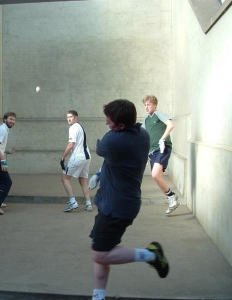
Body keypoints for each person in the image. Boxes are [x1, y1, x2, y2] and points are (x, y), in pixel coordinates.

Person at [89, 99, 169, 300]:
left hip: (116, 207)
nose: (107, 124)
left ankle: (151, 255)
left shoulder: (113, 141)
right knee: (102, 249)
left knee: (99, 254)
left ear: (121, 126)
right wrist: (100, 174)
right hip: (117, 201)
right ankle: (99, 295)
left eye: (110, 122)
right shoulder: (141, 133)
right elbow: (113, 160)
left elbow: (102, 149)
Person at [142, 95, 180, 215]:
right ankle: (171, 199)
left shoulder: (159, 114)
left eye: (148, 104)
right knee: (157, 177)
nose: (146, 107)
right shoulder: (146, 119)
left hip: (162, 149)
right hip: (152, 152)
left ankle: (172, 197)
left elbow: (171, 125)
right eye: (145, 105)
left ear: (154, 104)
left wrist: (162, 139)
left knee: (154, 174)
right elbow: (141, 134)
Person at [60, 110, 93, 212]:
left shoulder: (73, 127)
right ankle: (88, 204)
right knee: (82, 179)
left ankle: (73, 202)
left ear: (76, 117)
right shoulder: (80, 127)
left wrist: (63, 157)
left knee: (64, 178)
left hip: (77, 157)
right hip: (87, 157)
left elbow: (71, 144)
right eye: (67, 117)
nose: (69, 119)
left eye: (71, 117)